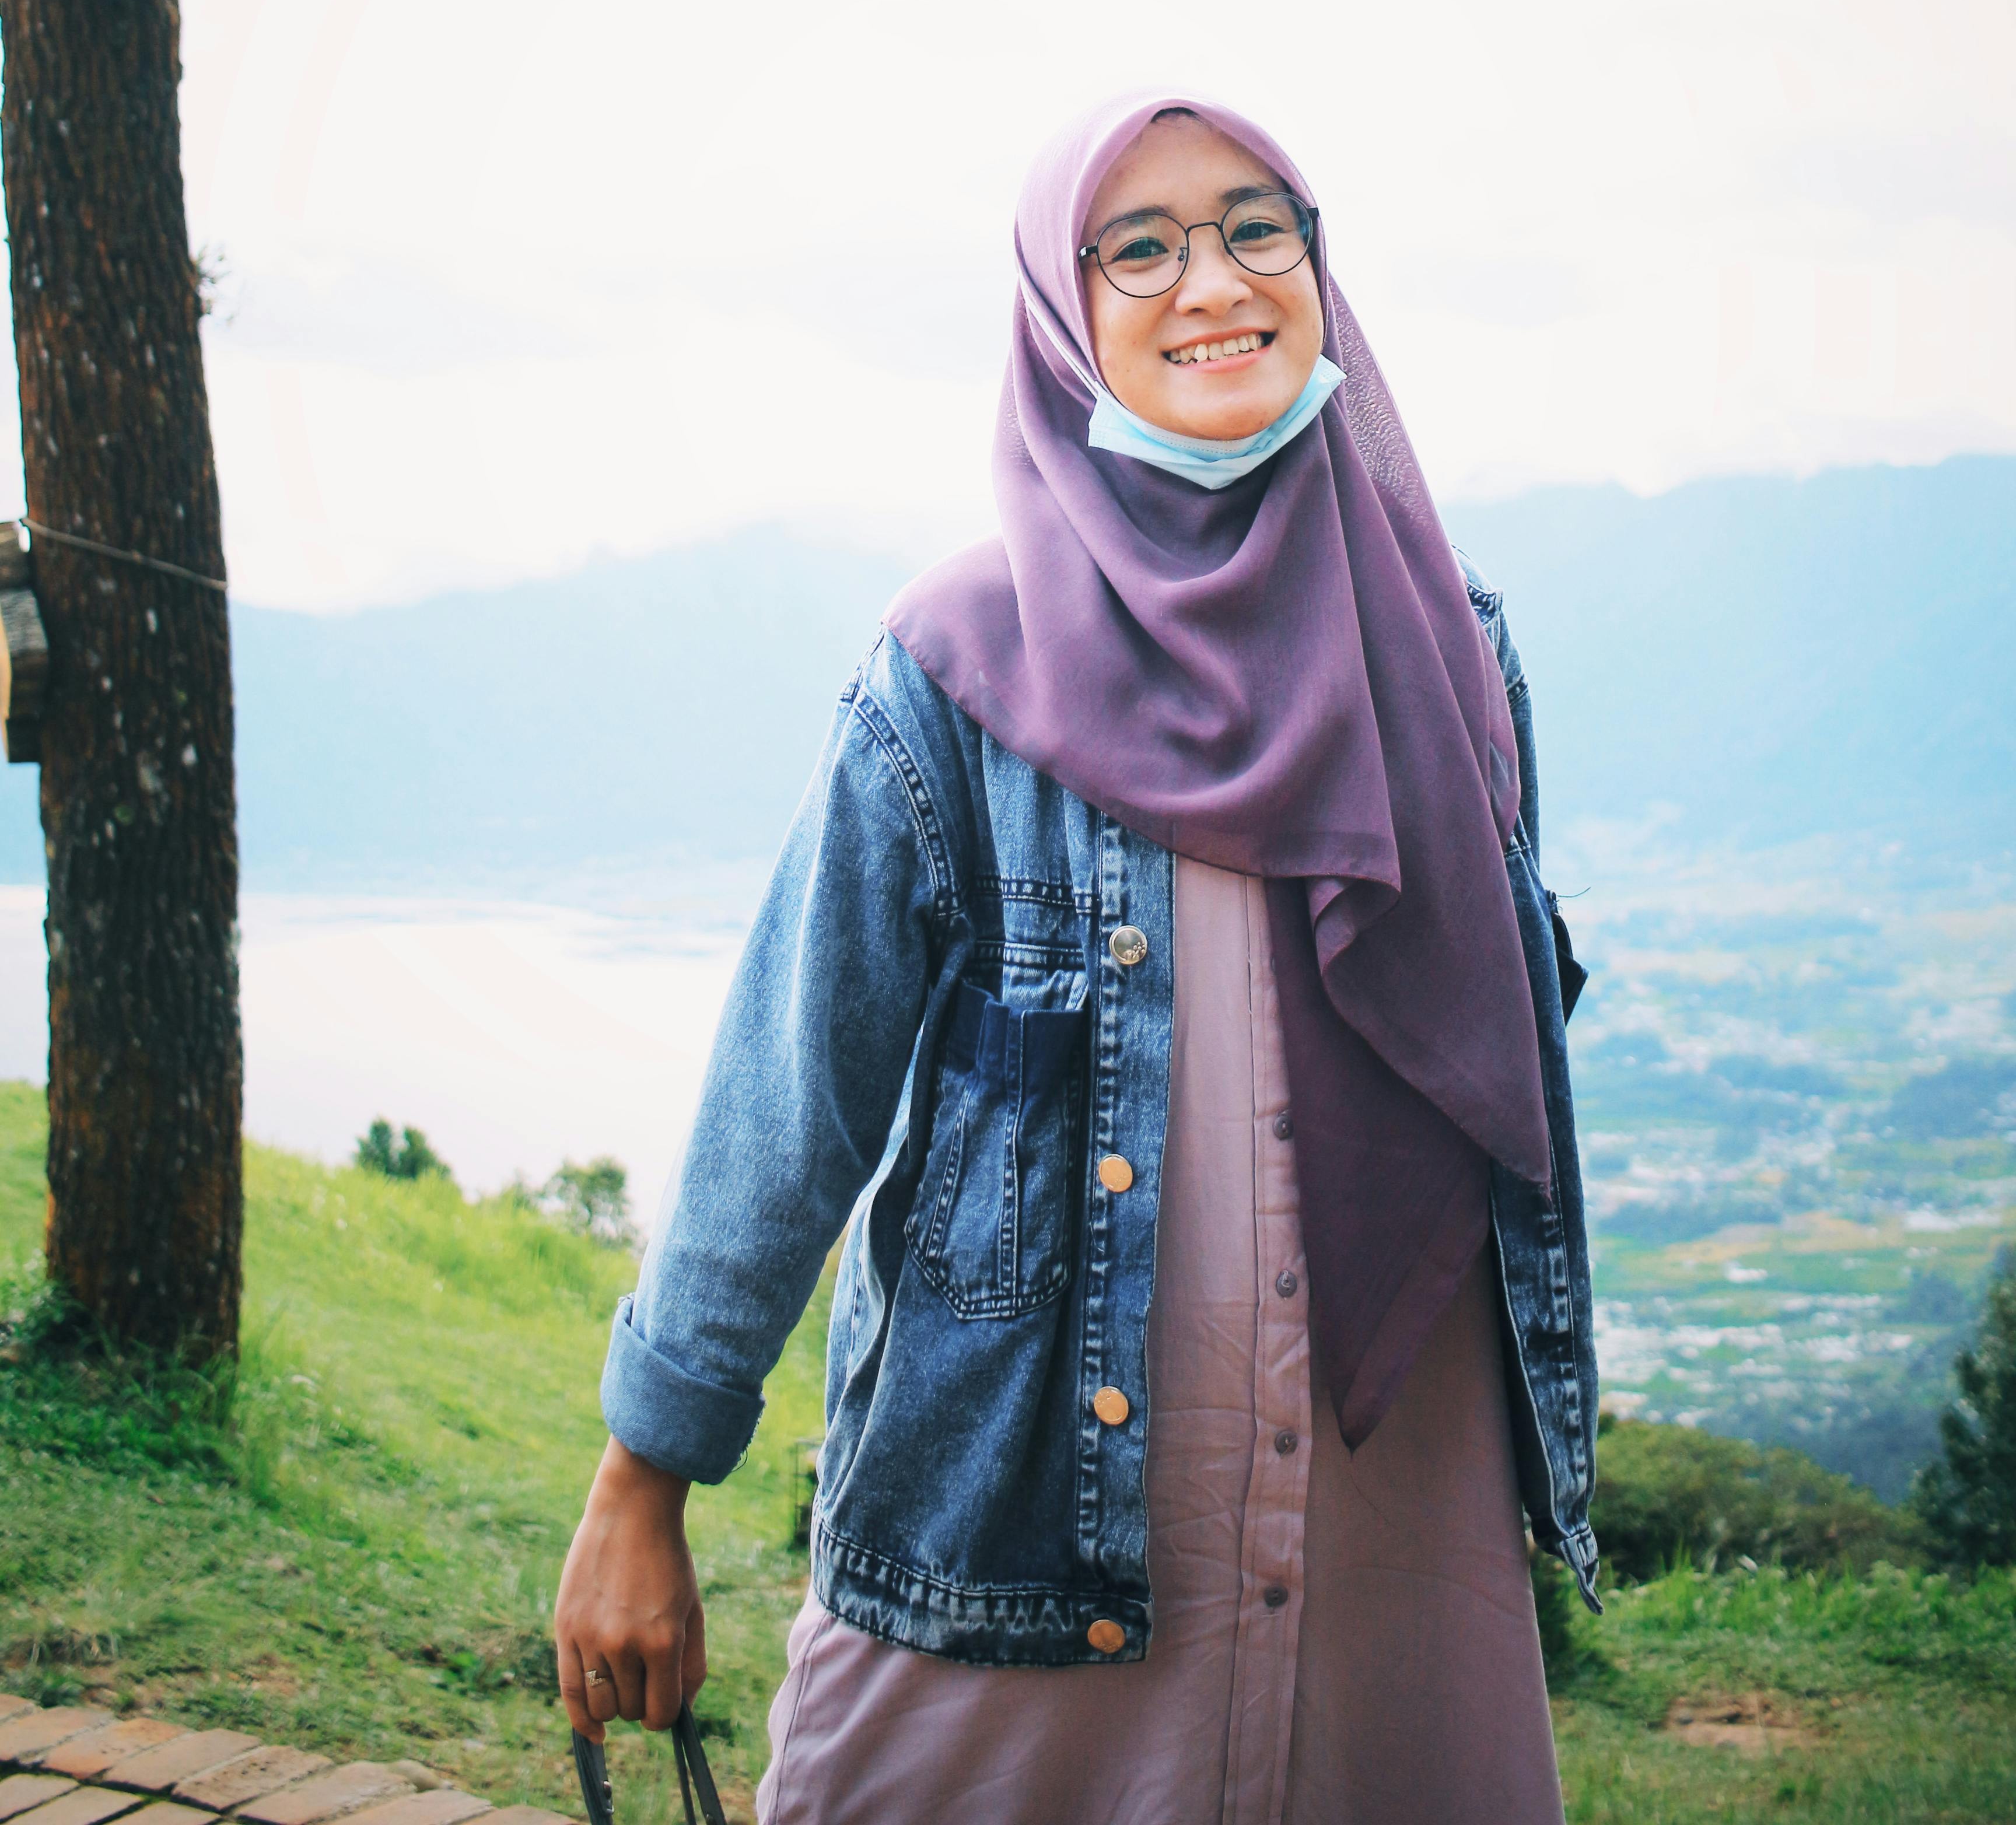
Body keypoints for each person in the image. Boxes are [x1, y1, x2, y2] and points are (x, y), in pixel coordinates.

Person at [554, 90, 1598, 1825]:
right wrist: (642, 1475)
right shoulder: (957, 676)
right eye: (1144, 246)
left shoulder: (1451, 640)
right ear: (1062, 312)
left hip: (1390, 1500)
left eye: (1262, 228)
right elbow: (793, 1095)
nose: (1216, 282)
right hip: (1028, 1517)